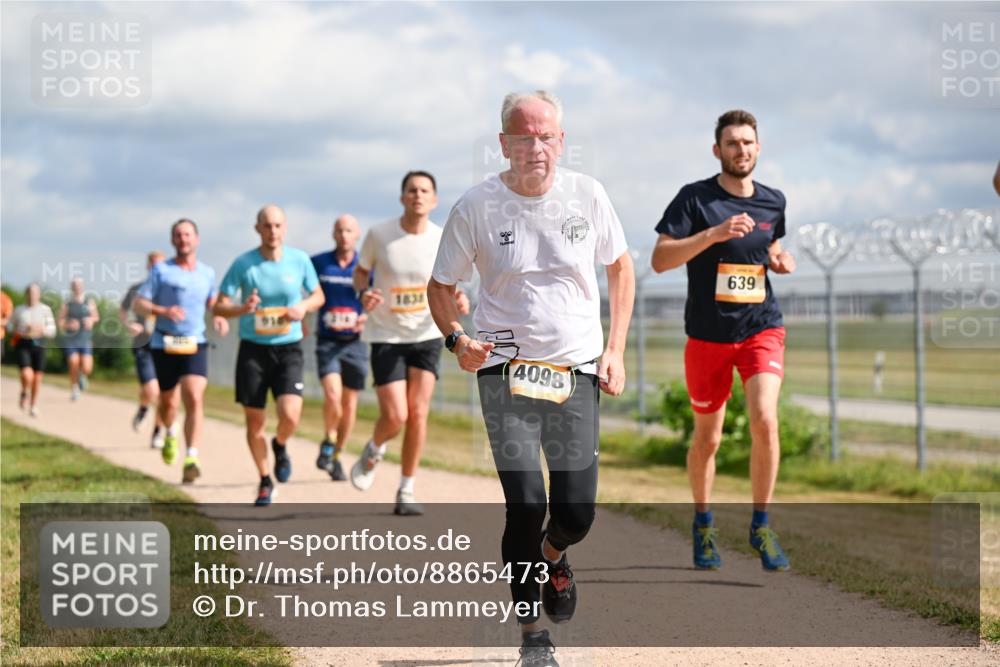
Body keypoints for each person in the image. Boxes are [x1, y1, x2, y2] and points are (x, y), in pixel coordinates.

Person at [428, 90, 634, 667]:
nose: (536, 146)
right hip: (505, 372)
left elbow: (620, 267)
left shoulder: (588, 196)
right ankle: (531, 634)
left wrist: (614, 348)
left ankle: (554, 556)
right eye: (524, 137)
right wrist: (457, 339)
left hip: (576, 371)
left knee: (576, 511)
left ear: (561, 141)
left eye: (547, 136)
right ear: (504, 144)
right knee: (523, 501)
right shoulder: (476, 206)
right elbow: (440, 287)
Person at [651, 109, 796, 572]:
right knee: (708, 440)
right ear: (718, 150)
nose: (742, 150)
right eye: (733, 143)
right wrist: (713, 233)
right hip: (708, 335)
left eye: (749, 142)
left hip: (761, 327)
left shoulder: (774, 202)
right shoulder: (695, 199)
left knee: (764, 419)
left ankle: (761, 524)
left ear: (758, 148)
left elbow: (767, 248)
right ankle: (704, 523)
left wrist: (778, 258)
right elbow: (659, 260)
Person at [350, 171, 469, 516]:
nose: (418, 195)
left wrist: (458, 300)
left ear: (434, 200)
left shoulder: (441, 237)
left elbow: (450, 283)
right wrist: (364, 292)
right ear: (402, 197)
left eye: (425, 191)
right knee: (396, 414)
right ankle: (374, 448)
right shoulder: (379, 235)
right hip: (386, 334)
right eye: (412, 190)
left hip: (427, 334)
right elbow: (361, 271)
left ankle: (406, 489)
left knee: (418, 412)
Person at [214, 205, 324, 506]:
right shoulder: (244, 264)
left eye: (277, 225)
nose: (272, 231)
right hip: (253, 349)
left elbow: (318, 296)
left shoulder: (299, 260)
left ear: (284, 228)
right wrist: (241, 309)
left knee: (290, 415)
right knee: (254, 422)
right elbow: (219, 305)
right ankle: (265, 481)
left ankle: (280, 444)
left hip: (288, 348)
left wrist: (302, 307)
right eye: (267, 226)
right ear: (257, 229)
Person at [135, 220, 228, 483]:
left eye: (187, 234)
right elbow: (140, 303)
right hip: (164, 343)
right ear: (173, 240)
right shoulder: (161, 271)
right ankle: (170, 432)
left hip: (194, 342)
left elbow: (212, 301)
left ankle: (191, 456)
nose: (183, 239)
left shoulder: (207, 273)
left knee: (194, 397)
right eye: (178, 235)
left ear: (197, 239)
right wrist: (164, 311)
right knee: (168, 403)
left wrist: (219, 316)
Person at [311, 214, 368, 481]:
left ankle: (336, 455)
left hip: (355, 343)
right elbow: (305, 293)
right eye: (339, 230)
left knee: (349, 403)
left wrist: (367, 315)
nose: (344, 235)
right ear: (333, 234)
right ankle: (329, 437)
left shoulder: (365, 266)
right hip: (328, 341)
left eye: (349, 230)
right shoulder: (319, 263)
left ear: (356, 235)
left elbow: (378, 296)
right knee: (332, 395)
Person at [120, 251, 167, 447]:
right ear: (148, 266)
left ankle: (157, 432)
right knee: (151, 390)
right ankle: (143, 408)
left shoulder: (169, 290)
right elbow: (123, 310)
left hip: (166, 345)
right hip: (144, 345)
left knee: (165, 394)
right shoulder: (137, 289)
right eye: (153, 265)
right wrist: (129, 324)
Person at [9, 283, 57, 416]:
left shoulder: (45, 310)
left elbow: (52, 330)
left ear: (39, 295)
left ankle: (33, 405)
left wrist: (41, 329)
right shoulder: (19, 310)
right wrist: (22, 329)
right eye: (30, 293)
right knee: (27, 374)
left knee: (37, 378)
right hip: (23, 344)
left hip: (40, 345)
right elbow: (10, 327)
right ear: (26, 294)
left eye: (35, 293)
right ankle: (24, 392)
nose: (32, 296)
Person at [58, 278, 99, 400]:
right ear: (71, 287)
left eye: (79, 285)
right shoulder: (67, 304)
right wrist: (68, 324)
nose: (77, 287)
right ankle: (74, 388)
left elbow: (96, 317)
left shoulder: (89, 302)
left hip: (85, 339)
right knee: (73, 362)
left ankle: (82, 376)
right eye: (75, 285)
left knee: (87, 367)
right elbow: (60, 321)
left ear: (83, 286)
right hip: (71, 339)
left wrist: (91, 320)